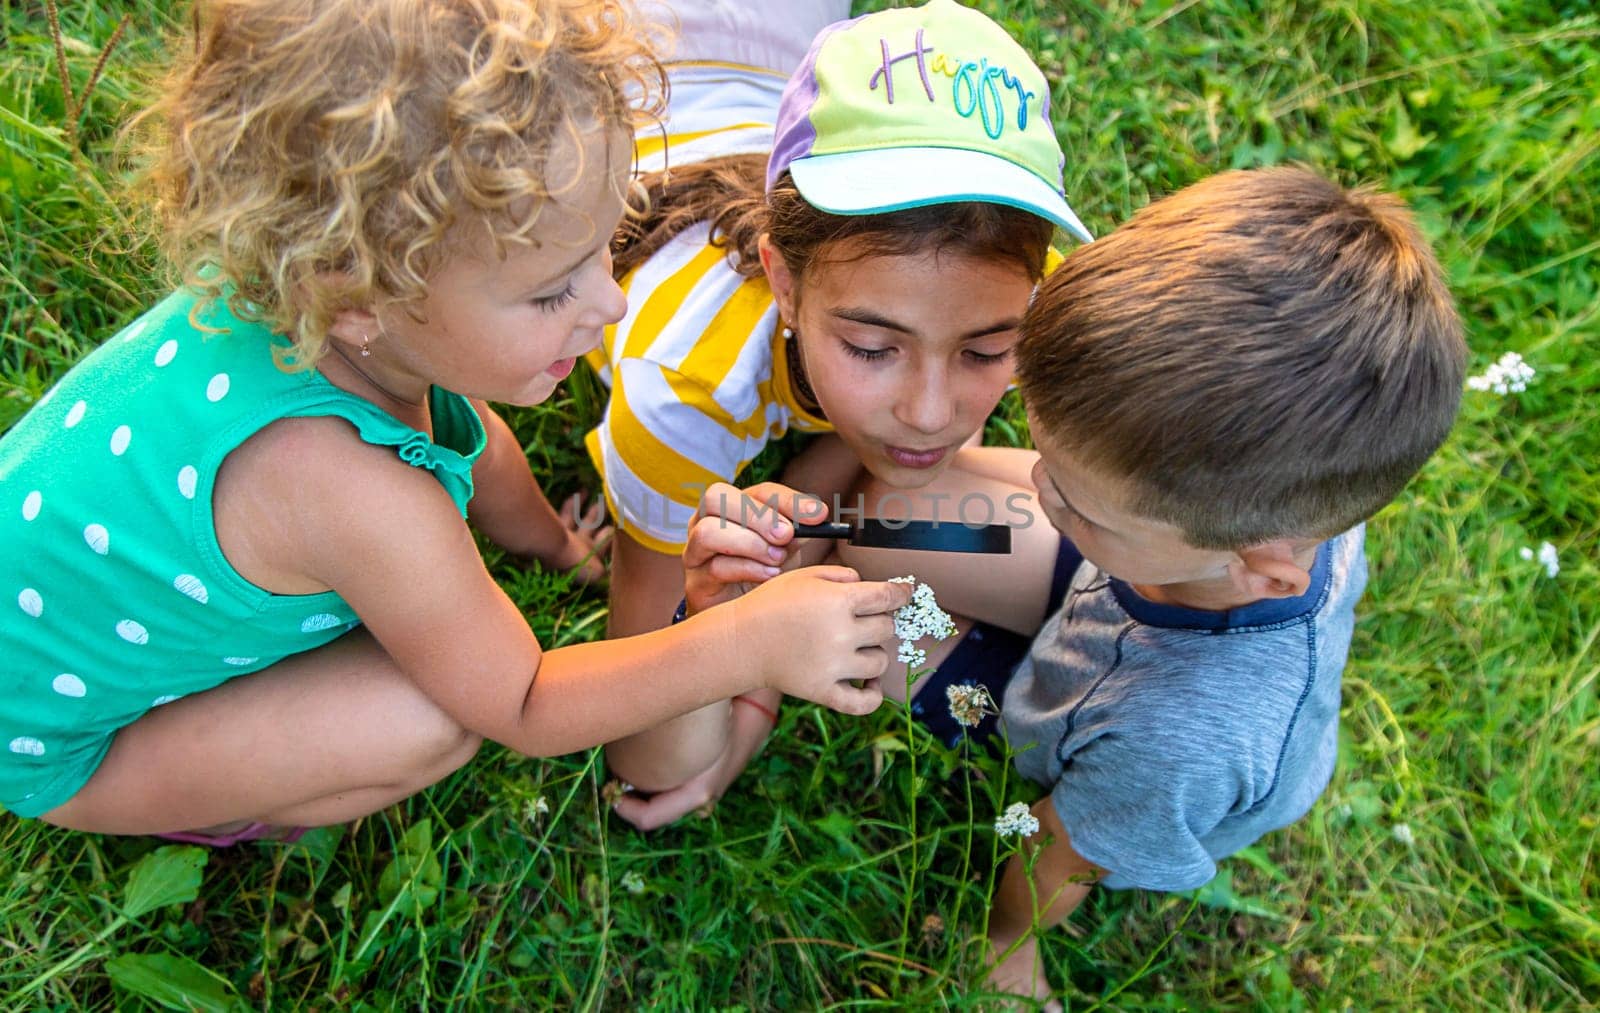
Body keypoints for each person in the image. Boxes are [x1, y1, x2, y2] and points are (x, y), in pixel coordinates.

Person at [0, 0, 911, 845]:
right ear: (356, 292)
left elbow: (469, 432)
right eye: (552, 288)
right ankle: (221, 805)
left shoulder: (351, 325)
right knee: (429, 723)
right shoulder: (348, 487)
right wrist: (750, 640)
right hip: (64, 737)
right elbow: (521, 700)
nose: (608, 301)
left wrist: (557, 546)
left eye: (606, 244)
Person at [678, 167, 1468, 1006]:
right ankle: (873, 524)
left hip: (1073, 718)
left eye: (1073, 496)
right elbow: (1095, 509)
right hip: (1121, 586)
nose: (1039, 492)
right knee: (884, 514)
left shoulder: (1175, 746)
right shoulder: (1290, 478)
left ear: (1259, 566)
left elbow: (1064, 852)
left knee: (846, 620)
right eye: (1046, 461)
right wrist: (1096, 522)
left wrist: (1008, 936)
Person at [596, 0, 1095, 828]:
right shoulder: (679, 389)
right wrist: (727, 626)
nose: (934, 414)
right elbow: (649, 758)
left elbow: (869, 479)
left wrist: (769, 618)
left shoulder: (1020, 291)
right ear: (783, 281)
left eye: (984, 350)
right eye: (871, 348)